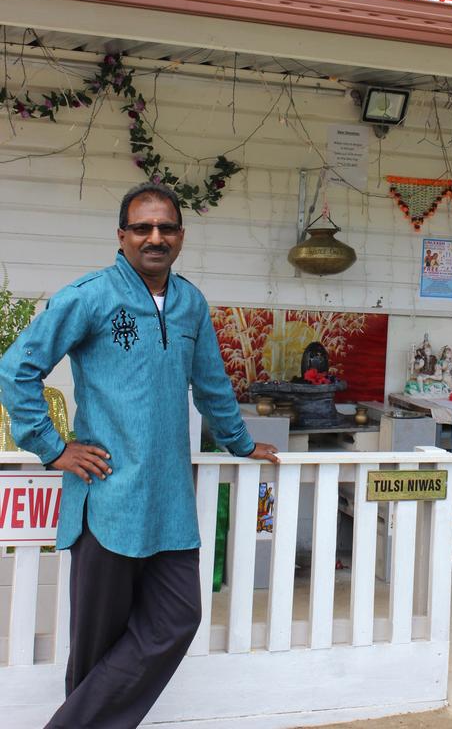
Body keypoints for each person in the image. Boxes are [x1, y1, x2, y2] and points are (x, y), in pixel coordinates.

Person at [0, 183, 278, 729]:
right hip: (109, 499)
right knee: (95, 648)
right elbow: (16, 370)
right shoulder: (91, 296)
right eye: (142, 228)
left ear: (181, 236)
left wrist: (241, 443)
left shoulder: (190, 303)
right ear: (122, 235)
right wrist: (52, 448)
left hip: (170, 503)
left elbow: (213, 385)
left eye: (166, 228)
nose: (155, 237)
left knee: (178, 617)